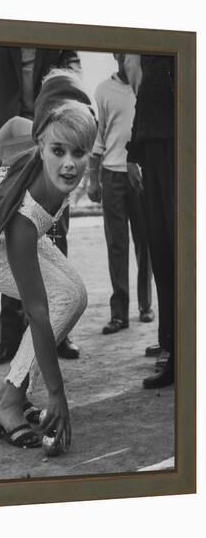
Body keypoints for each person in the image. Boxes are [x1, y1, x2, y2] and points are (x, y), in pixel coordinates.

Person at [0, 69, 97, 449]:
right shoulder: (26, 214)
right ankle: (9, 402)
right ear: (42, 143)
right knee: (58, 300)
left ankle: (9, 390)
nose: (68, 164)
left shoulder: (51, 130)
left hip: (4, 220)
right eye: (58, 151)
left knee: (75, 295)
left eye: (79, 153)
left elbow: (12, 124)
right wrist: (57, 394)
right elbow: (37, 311)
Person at [0, 45, 83, 366]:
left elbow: (73, 81)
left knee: (55, 233)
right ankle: (9, 337)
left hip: (52, 136)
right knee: (10, 230)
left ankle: (58, 332)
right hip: (10, 139)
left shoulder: (59, 33)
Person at [88, 53, 154, 335]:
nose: (127, 56)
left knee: (145, 243)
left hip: (140, 173)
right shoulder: (103, 90)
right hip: (112, 174)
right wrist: (93, 179)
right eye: (122, 51)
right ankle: (119, 314)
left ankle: (145, 305)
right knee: (117, 244)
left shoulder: (148, 85)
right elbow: (99, 135)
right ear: (115, 55)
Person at [124, 54, 175, 388]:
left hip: (184, 143)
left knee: (185, 252)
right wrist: (132, 153)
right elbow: (146, 92)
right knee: (161, 250)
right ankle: (174, 350)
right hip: (153, 147)